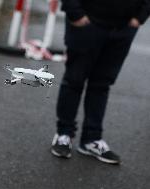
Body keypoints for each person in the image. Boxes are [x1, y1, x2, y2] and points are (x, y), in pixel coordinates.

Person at [51, 0, 150, 164]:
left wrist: (140, 16)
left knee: (102, 84)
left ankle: (91, 139)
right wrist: (75, 12)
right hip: (87, 22)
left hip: (123, 27)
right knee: (74, 80)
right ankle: (64, 134)